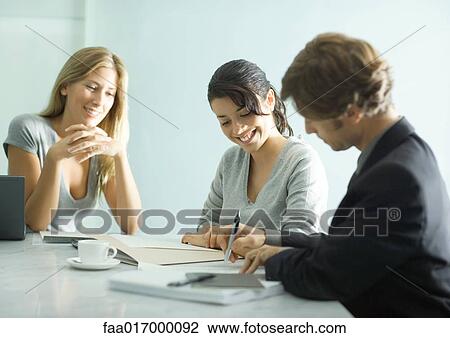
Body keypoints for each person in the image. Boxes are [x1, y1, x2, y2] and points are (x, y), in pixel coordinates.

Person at [239, 33, 450, 317]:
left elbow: (328, 277)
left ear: (351, 113)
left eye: (312, 116)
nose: (310, 129)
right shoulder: (401, 154)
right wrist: (275, 240)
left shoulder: (396, 176)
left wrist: (278, 260)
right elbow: (353, 245)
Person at [182, 59, 328, 258]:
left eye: (245, 114)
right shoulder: (231, 160)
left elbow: (300, 239)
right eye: (225, 121)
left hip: (277, 281)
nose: (237, 129)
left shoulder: (301, 161)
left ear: (269, 100)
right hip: (228, 277)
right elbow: (205, 227)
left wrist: (236, 239)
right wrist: (212, 236)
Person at [3, 47, 142, 234]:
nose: (99, 101)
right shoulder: (27, 128)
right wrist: (53, 158)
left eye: (109, 93)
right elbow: (35, 223)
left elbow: (131, 225)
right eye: (92, 87)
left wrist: (120, 155)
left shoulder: (102, 146)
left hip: (71, 257)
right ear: (65, 86)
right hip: (27, 257)